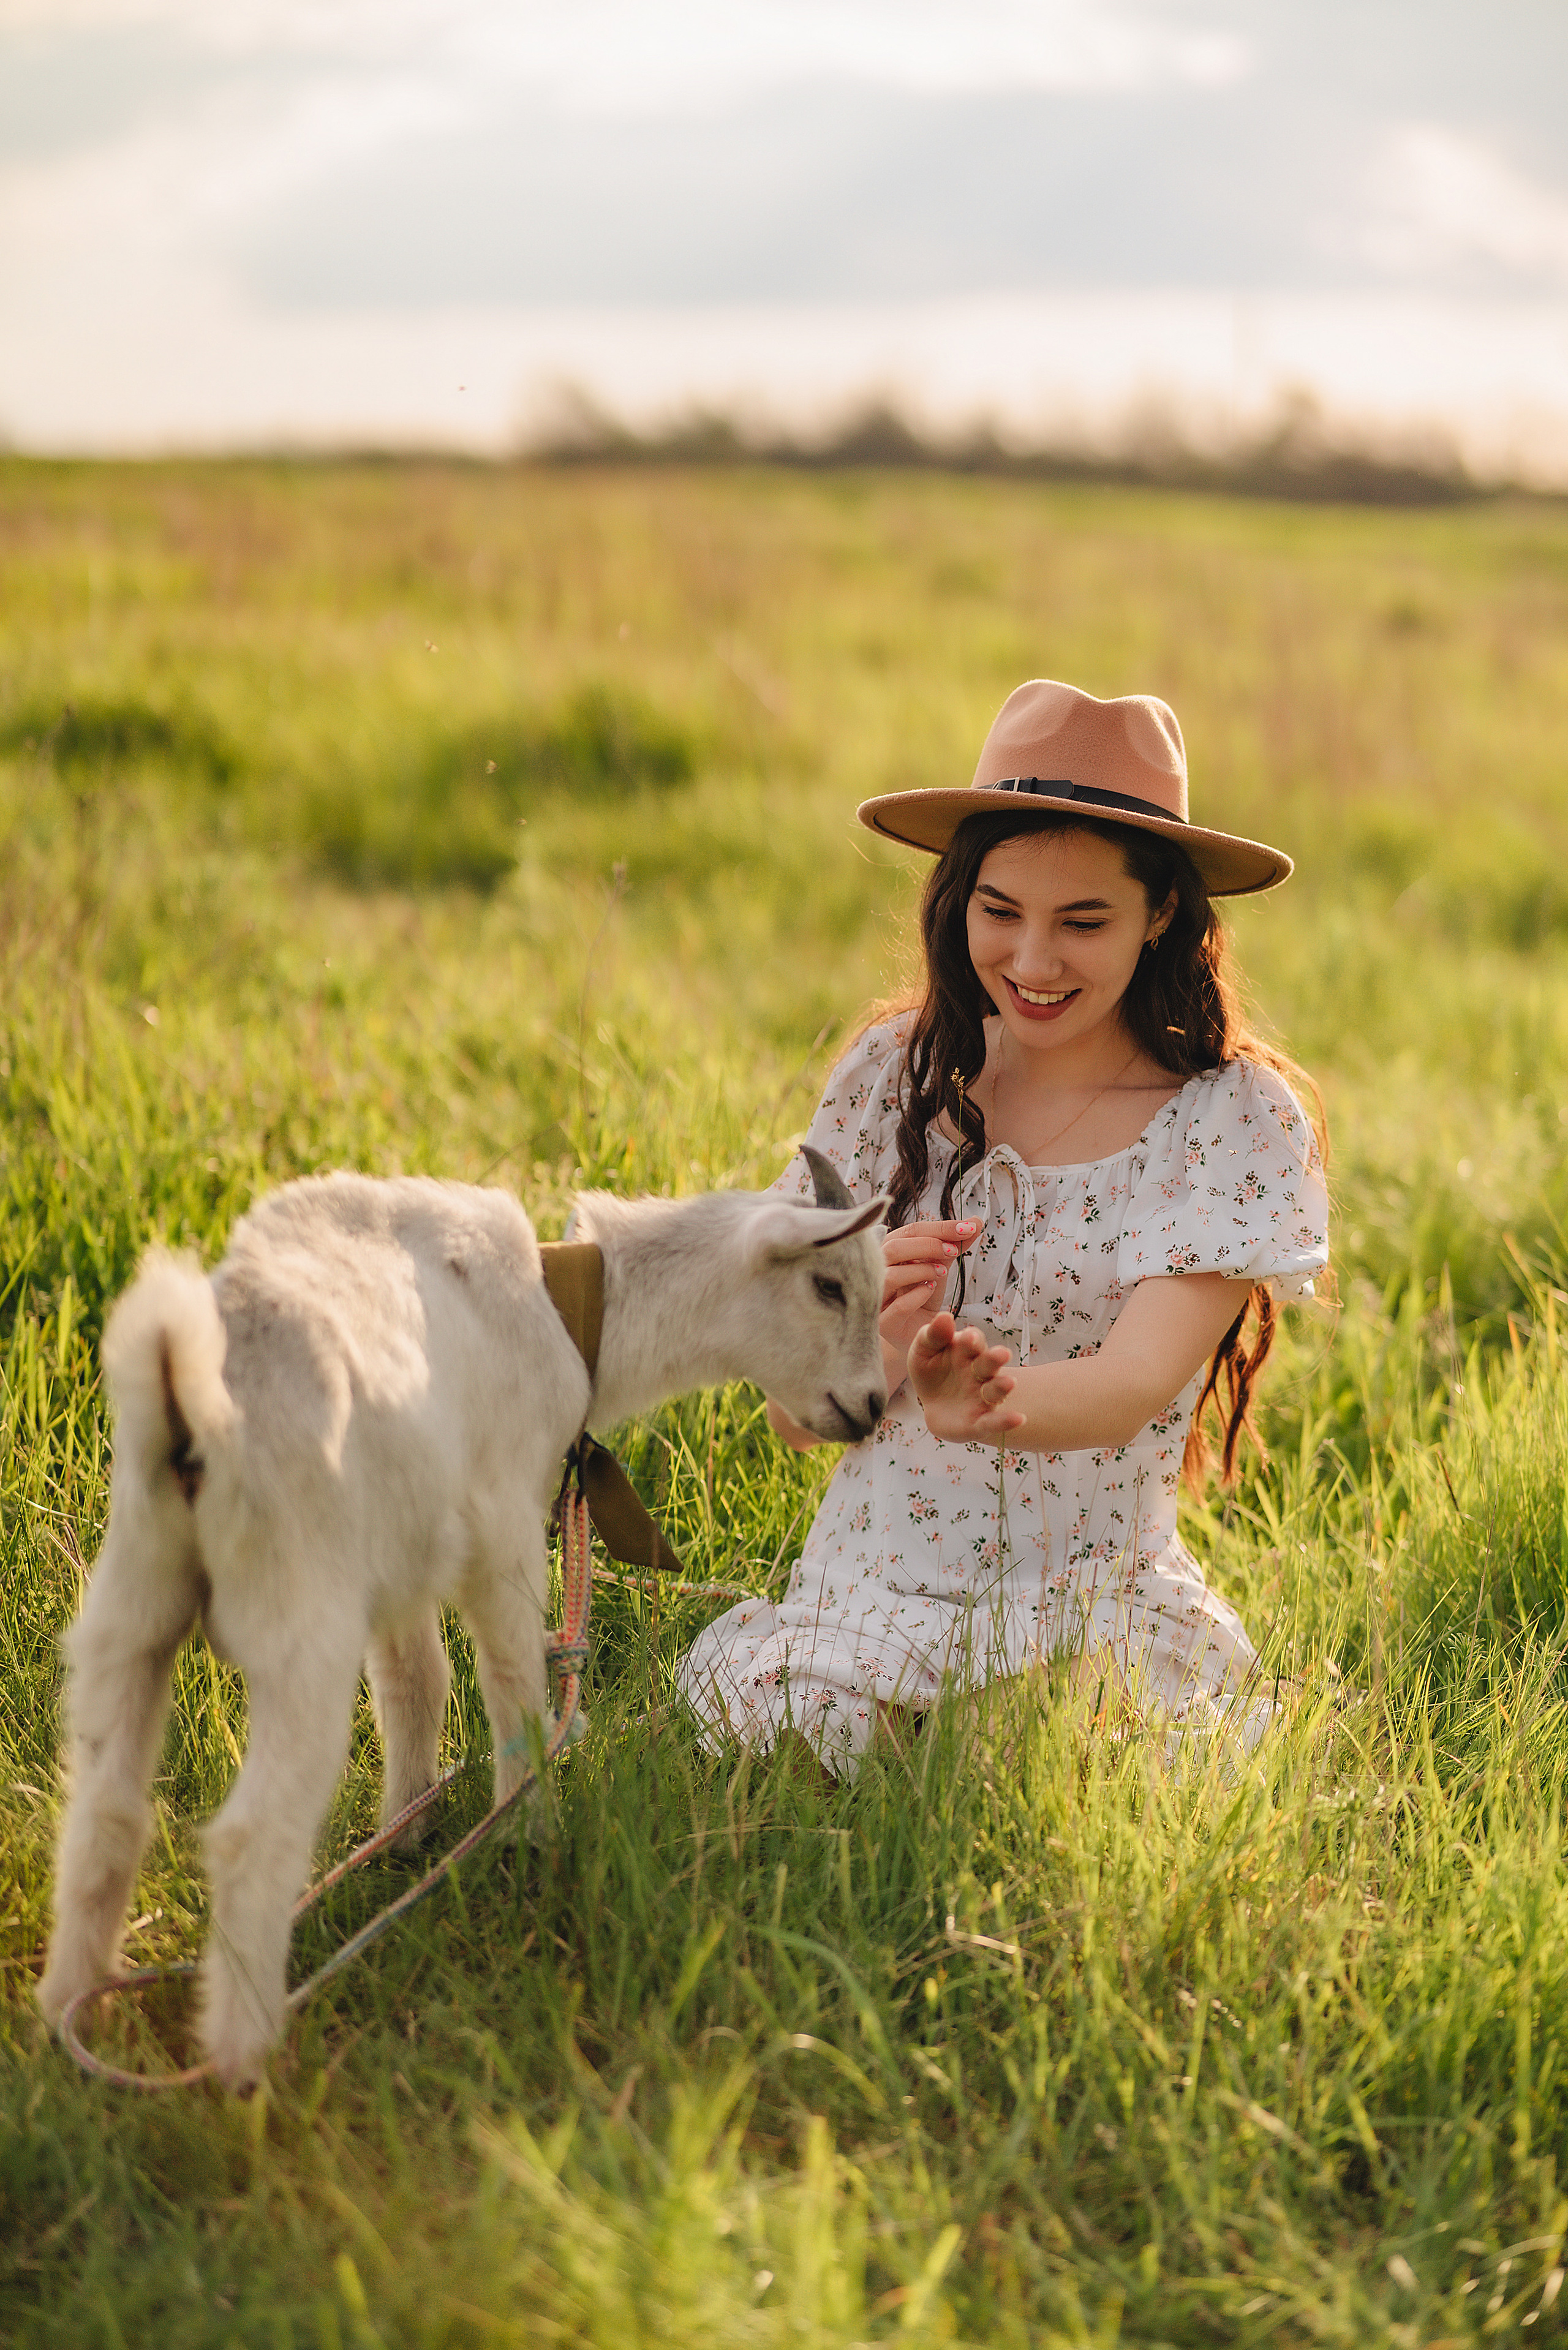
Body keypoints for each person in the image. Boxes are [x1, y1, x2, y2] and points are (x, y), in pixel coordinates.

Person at [677, 679, 1329, 1774]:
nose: (1032, 962)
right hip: (873, 1587)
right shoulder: (894, 1078)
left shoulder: (1227, 1120)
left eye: (1083, 922)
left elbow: (1133, 1381)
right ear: (958, 896)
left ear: (1161, 912)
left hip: (1085, 1598)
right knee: (805, 1746)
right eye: (1000, 911)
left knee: (1040, 1750)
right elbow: (799, 1420)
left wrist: (982, 1403)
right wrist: (872, 1348)